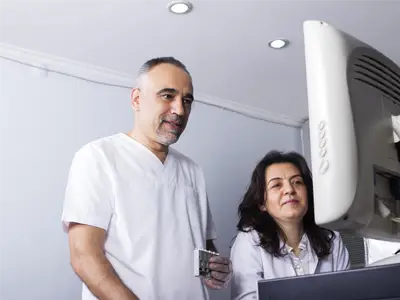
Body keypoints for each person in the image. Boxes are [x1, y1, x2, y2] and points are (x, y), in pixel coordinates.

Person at [61, 57, 232, 300]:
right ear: (137, 99)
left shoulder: (192, 171)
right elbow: (83, 255)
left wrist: (213, 270)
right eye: (167, 96)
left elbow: (199, 247)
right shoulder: (98, 157)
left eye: (187, 100)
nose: (179, 110)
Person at [230, 150, 350, 300]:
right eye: (276, 185)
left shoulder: (331, 238)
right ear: (262, 203)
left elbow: (347, 293)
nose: (289, 190)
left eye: (297, 182)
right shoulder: (249, 241)